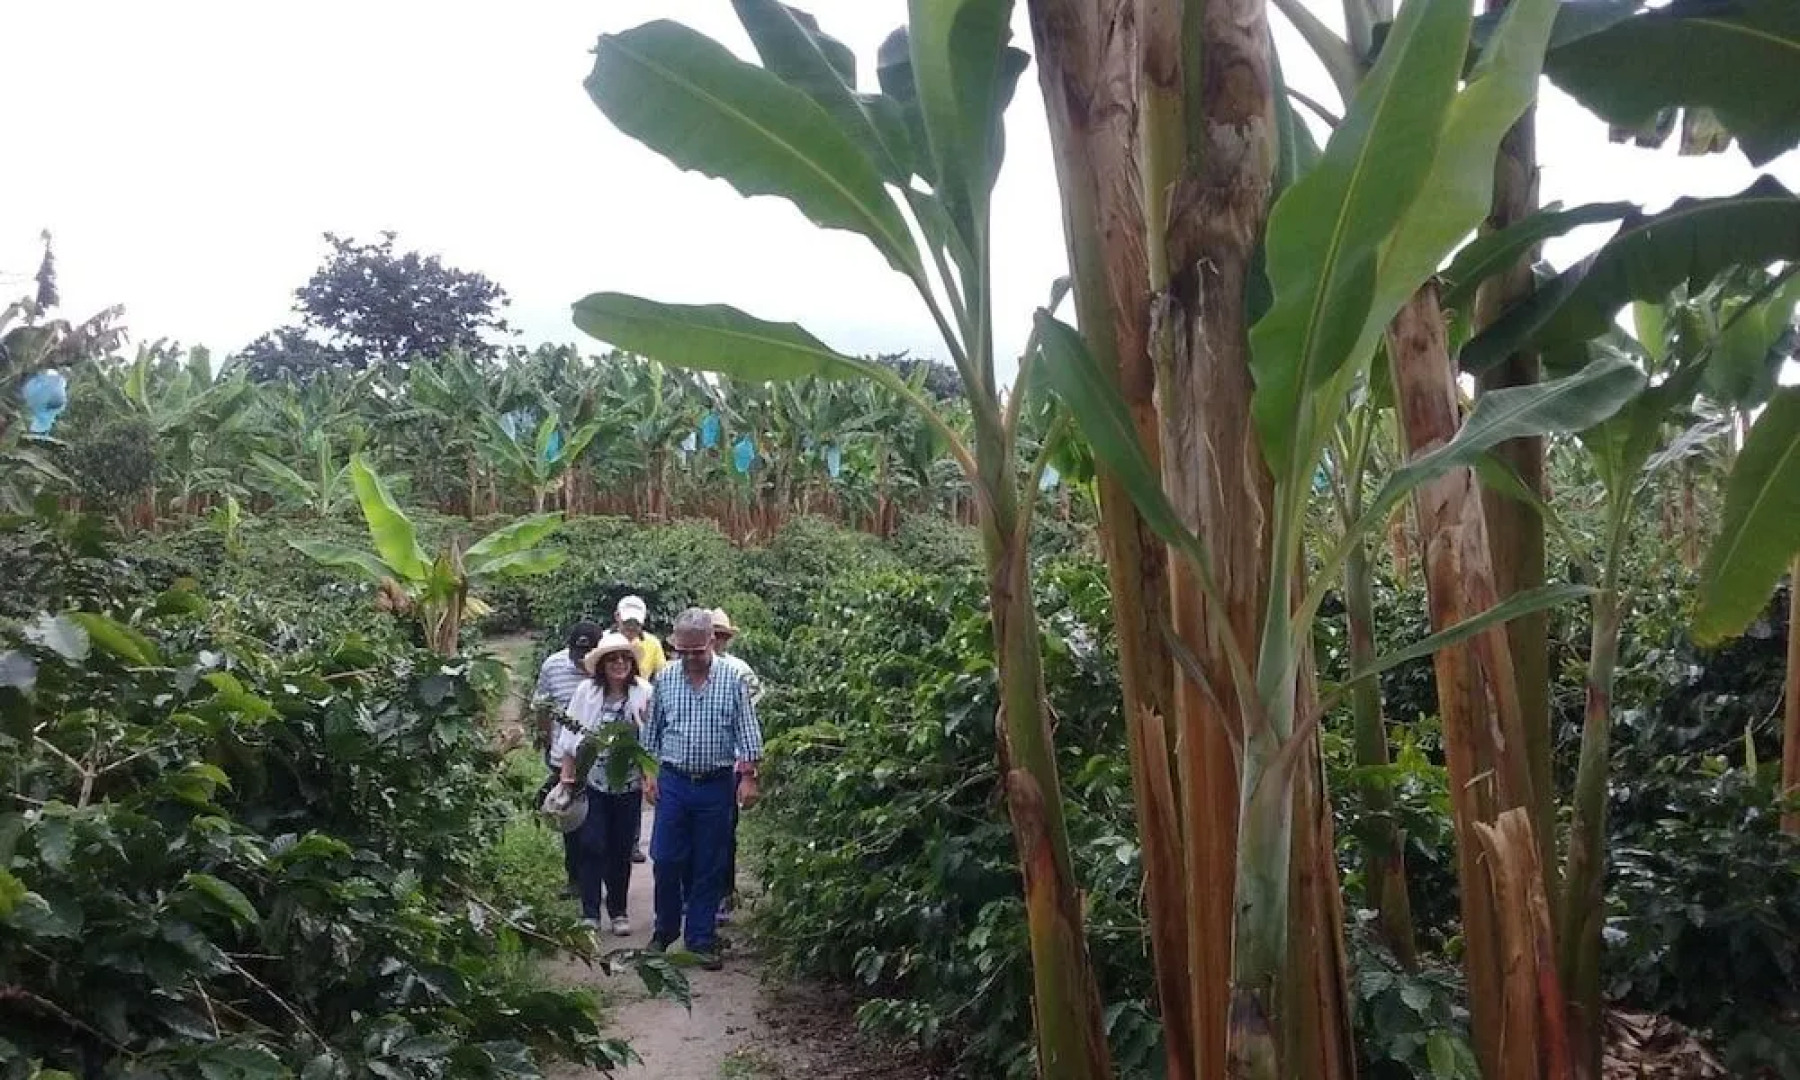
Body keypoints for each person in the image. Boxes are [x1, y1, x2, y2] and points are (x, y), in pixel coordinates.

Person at [641, 607, 762, 970]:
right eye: (684, 651)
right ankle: (664, 930)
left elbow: (747, 729)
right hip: (674, 780)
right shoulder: (665, 679)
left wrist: (749, 776)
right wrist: (648, 774)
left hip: (716, 783)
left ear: (712, 641)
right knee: (665, 858)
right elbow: (652, 731)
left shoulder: (732, 679)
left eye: (698, 651)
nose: (691, 658)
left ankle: (701, 938)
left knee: (711, 862)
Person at [554, 632, 652, 936]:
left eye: (624, 658)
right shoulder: (587, 692)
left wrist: (651, 779)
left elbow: (651, 741)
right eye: (613, 659)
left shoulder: (644, 692)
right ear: (602, 665)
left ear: (632, 663)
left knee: (621, 848)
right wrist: (566, 775)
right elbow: (570, 736)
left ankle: (619, 910)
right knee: (591, 844)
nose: (619, 663)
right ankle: (590, 911)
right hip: (592, 783)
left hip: (628, 784)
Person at [532, 621, 603, 894]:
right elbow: (542, 706)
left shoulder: (611, 667)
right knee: (571, 817)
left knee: (598, 822)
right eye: (577, 655)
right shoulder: (553, 666)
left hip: (602, 759)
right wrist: (546, 742)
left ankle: (601, 875)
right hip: (565, 756)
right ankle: (576, 878)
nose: (580, 663)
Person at [708, 608, 761, 922]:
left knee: (725, 833)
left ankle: (724, 893)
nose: (716, 641)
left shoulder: (739, 670)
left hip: (730, 765)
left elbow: (748, 721)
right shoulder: (682, 670)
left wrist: (749, 772)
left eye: (721, 635)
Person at [615, 594, 665, 864]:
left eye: (636, 623)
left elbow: (661, 677)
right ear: (617, 618)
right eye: (627, 622)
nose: (631, 628)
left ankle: (632, 842)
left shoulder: (653, 645)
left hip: (641, 717)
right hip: (610, 718)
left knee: (635, 782)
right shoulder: (606, 642)